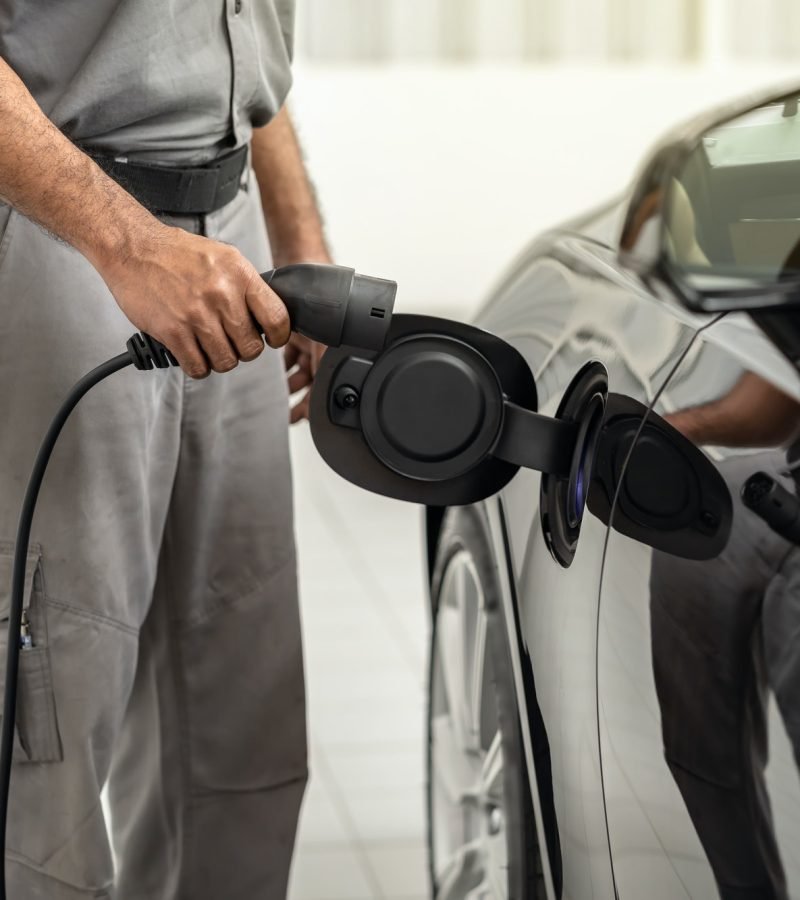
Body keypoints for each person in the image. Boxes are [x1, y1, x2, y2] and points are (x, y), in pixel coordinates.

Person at [0, 3, 326, 897]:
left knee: (236, 709)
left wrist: (300, 240)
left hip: (235, 237)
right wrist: (129, 244)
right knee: (49, 726)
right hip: (54, 230)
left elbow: (242, 49)